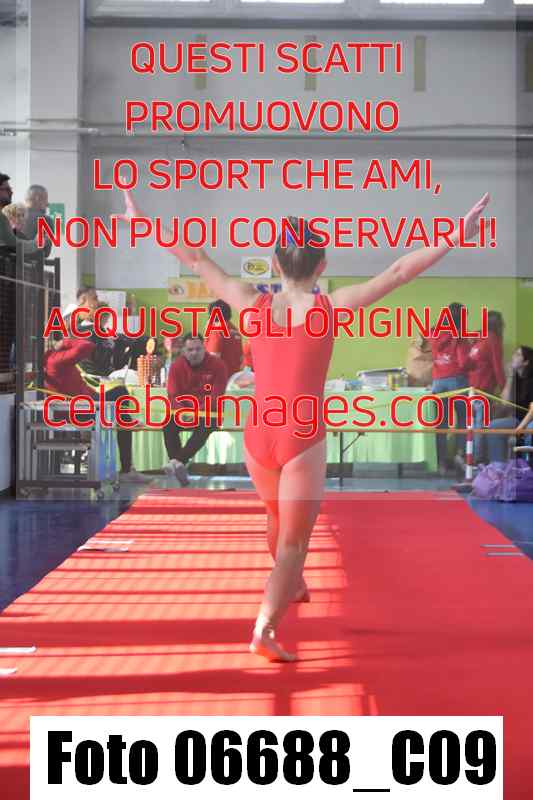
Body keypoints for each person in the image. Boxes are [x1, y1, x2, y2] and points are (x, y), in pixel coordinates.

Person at [120, 189, 489, 662]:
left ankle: (291, 585)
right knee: (294, 542)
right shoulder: (330, 307)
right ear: (322, 265)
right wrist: (456, 234)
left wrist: (142, 221)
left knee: (276, 519)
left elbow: (195, 258)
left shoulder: (250, 304)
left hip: (259, 434)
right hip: (301, 435)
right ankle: (265, 627)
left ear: (274, 263)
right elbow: (399, 271)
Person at [44, 319, 148, 483]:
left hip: (84, 404)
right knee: (120, 392)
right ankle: (127, 467)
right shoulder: (57, 358)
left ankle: (125, 429)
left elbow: (79, 384)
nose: (73, 338)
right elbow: (87, 346)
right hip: (79, 410)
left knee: (119, 399)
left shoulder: (54, 358)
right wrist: (66, 342)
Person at [164, 333, 228, 486]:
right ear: (184, 351)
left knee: (206, 424)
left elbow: (216, 396)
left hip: (210, 412)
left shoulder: (218, 365)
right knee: (168, 425)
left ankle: (177, 461)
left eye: (198, 349)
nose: (194, 353)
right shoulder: (176, 366)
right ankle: (179, 466)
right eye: (190, 350)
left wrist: (197, 412)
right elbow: (172, 395)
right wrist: (182, 411)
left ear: (204, 348)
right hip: (183, 411)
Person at [430, 302, 471, 473]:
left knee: (441, 424)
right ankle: (460, 456)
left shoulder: (434, 331)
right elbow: (463, 362)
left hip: (438, 381)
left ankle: (440, 462)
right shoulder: (459, 335)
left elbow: (433, 353)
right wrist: (473, 363)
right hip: (457, 380)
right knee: (463, 420)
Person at [466, 310, 506, 461]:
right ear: (499, 325)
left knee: (471, 425)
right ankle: (477, 459)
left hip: (470, 388)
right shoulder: (493, 339)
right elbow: (497, 367)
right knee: (480, 425)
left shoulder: (478, 338)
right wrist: (504, 390)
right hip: (482, 389)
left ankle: (469, 457)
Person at [486, 346, 533, 463]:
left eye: (518, 355)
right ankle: (498, 465)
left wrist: (520, 428)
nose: (513, 357)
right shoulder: (516, 378)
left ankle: (526, 466)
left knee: (529, 430)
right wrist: (510, 376)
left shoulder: (531, 379)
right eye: (514, 354)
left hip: (530, 420)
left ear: (526, 362)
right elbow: (505, 401)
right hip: (518, 419)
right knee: (493, 426)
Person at [0, 173, 43, 256]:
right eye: (7, 189)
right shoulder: (2, 219)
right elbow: (16, 245)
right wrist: (38, 242)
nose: (11, 192)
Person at [205, 299, 243, 379]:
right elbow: (240, 357)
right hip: (233, 378)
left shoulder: (217, 331)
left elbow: (213, 359)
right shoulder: (235, 331)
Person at [23, 184, 54, 257]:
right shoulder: (46, 220)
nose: (47, 204)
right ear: (37, 199)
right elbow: (46, 253)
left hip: (10, 263)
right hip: (34, 263)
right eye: (46, 199)